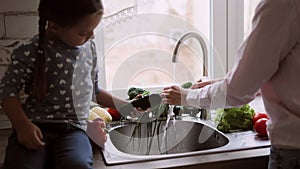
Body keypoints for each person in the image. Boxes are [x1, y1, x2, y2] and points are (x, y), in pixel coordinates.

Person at [161, 0, 300, 168]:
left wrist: (187, 96)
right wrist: (220, 83)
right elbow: (286, 76)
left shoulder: (280, 4)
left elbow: (236, 91)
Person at [0, 0, 132, 168]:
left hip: (73, 131)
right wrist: (22, 125)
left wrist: (126, 107)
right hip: (34, 127)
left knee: (78, 165)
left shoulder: (89, 48)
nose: (91, 36)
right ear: (55, 26)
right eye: (83, 32)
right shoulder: (30, 50)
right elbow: (7, 90)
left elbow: (95, 91)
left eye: (93, 30)